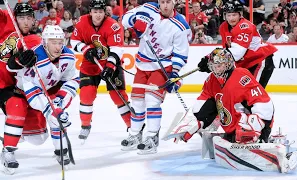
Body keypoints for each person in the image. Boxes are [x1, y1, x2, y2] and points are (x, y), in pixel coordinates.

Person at [165, 48, 297, 173]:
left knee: (246, 128)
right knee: (224, 127)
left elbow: (263, 104)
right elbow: (204, 106)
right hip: (232, 128)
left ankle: (260, 141)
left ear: (228, 64)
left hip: (254, 126)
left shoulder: (241, 75)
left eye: (219, 65)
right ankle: (240, 140)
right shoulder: (211, 80)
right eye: (213, 66)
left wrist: (256, 126)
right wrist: (191, 126)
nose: (216, 69)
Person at [121, 0, 191, 154]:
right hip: (142, 64)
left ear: (174, 3)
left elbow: (181, 53)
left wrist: (175, 73)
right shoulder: (148, 8)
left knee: (152, 101)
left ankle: (152, 138)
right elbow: (125, 18)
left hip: (162, 66)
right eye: (162, 2)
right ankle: (134, 134)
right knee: (137, 102)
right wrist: (135, 21)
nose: (165, 5)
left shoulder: (181, 26)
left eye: (168, 2)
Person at [13, 25, 78, 171]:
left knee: (57, 118)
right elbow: (31, 90)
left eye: (60, 42)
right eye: (53, 42)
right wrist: (50, 109)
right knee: (37, 139)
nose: (57, 47)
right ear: (44, 42)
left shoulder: (68, 56)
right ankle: (17, 132)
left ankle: (61, 152)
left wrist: (59, 102)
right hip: (25, 95)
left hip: (48, 90)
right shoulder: (35, 58)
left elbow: (72, 80)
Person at [70, 0, 128, 142]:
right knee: (86, 95)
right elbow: (74, 41)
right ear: (90, 12)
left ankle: (132, 127)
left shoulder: (113, 26)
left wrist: (110, 67)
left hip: (111, 64)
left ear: (105, 12)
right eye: (95, 12)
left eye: (100, 12)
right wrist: (86, 50)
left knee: (118, 96)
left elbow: (117, 49)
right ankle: (85, 125)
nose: (97, 15)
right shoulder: (82, 22)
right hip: (90, 64)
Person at [0, 3, 41, 174]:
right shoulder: (5, 21)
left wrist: (26, 61)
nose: (25, 22)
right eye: (21, 18)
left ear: (33, 20)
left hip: (6, 85)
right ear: (15, 18)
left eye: (28, 18)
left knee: (19, 108)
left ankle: (8, 150)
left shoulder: (35, 41)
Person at [219, 0, 277, 88]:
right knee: (241, 94)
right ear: (225, 16)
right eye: (228, 15)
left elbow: (237, 53)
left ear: (240, 14)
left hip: (260, 60)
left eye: (234, 15)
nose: (231, 18)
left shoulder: (245, 26)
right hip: (247, 63)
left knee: (253, 94)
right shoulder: (223, 27)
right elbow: (227, 49)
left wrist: (212, 58)